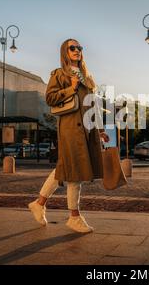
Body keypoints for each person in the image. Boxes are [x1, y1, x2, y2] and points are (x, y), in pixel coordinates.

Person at [28, 39, 109, 233]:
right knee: (75, 173)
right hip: (70, 129)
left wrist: (100, 129)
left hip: (87, 130)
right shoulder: (59, 74)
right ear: (65, 51)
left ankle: (39, 203)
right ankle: (74, 217)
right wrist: (71, 88)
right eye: (72, 48)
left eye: (80, 48)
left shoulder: (88, 77)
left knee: (66, 169)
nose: (77, 50)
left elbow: (93, 106)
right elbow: (50, 98)